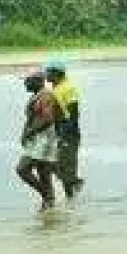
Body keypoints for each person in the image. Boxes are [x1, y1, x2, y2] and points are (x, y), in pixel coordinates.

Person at [16, 71, 62, 212]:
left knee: (22, 169)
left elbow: (48, 119)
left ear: (37, 81)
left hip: (44, 139)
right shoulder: (37, 96)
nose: (25, 84)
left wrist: (29, 132)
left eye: (27, 81)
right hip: (39, 138)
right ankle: (48, 205)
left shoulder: (46, 96)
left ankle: (47, 197)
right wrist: (25, 133)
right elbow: (32, 119)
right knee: (43, 173)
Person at [44, 61, 83, 198]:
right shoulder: (56, 88)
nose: (46, 74)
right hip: (59, 132)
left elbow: (74, 114)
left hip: (68, 133)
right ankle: (73, 188)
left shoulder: (68, 88)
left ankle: (72, 198)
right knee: (57, 166)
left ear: (56, 73)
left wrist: (64, 134)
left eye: (48, 71)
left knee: (65, 167)